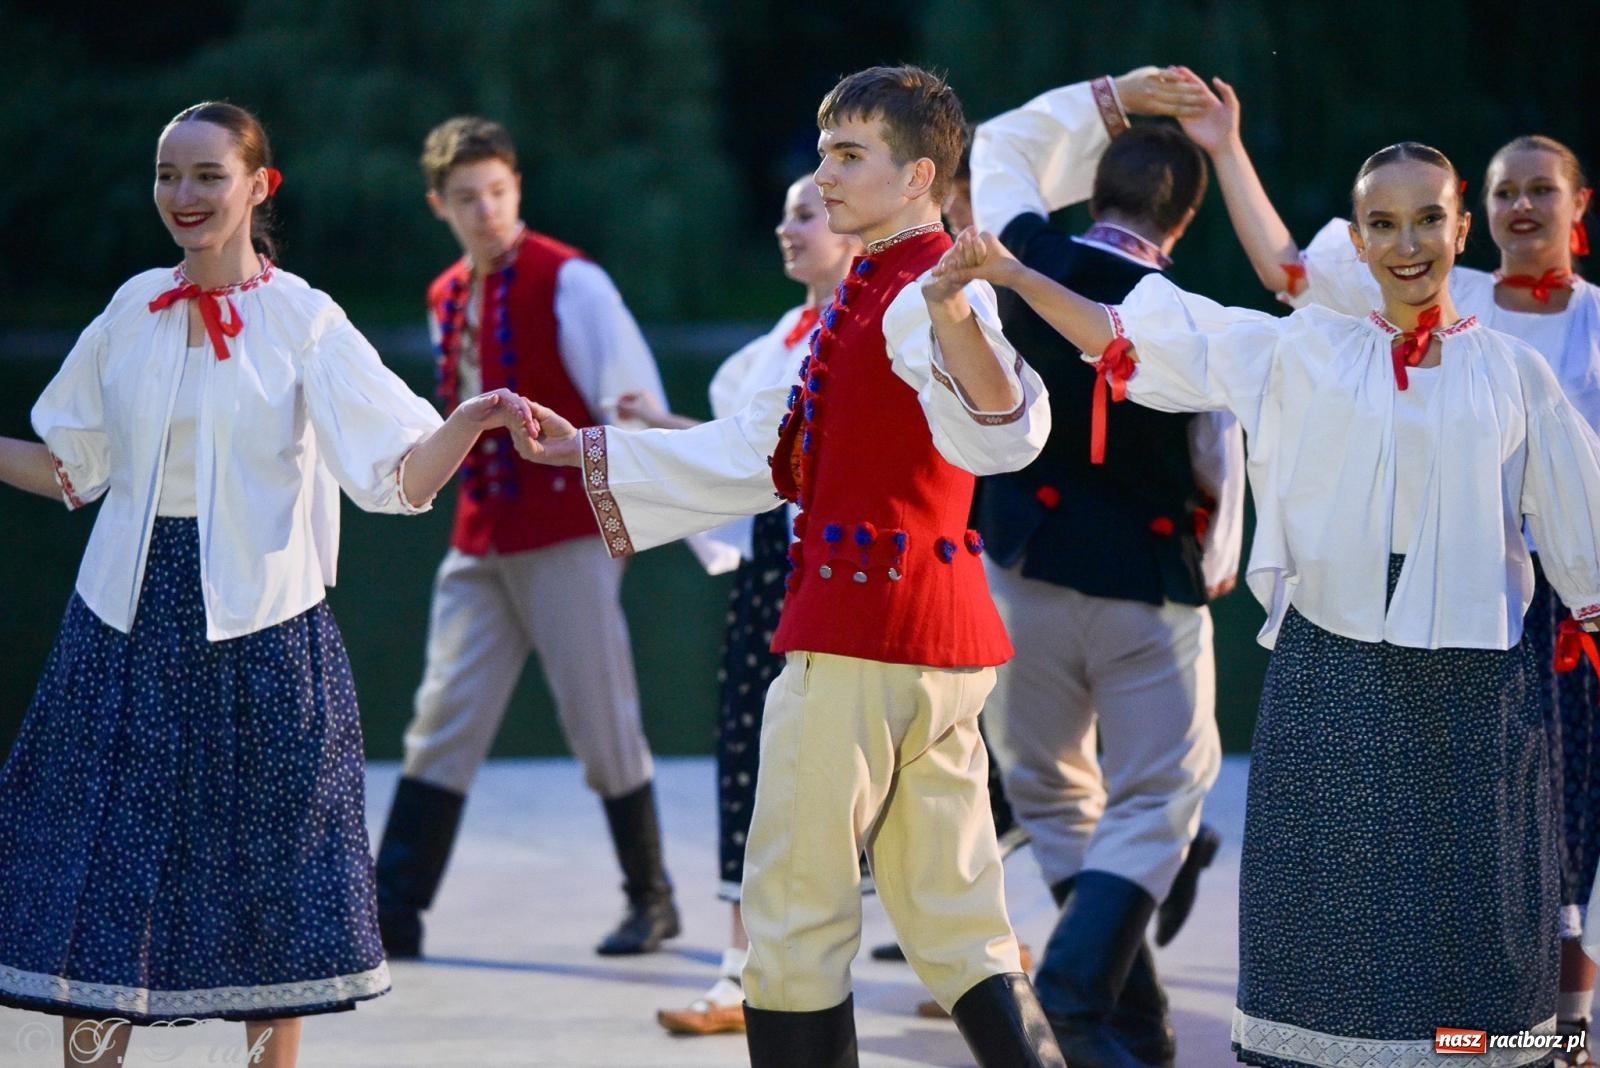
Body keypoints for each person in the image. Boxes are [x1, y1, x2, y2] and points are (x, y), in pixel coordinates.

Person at [931, 139, 1600, 1067]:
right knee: (1334, 933)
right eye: (1382, 223)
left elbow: (1586, 536)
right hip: (1336, 677)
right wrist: (1011, 271)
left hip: (1478, 695)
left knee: (1470, 950)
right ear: (1356, 243)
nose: (1408, 243)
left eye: (1428, 218)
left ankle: (1469, 1053)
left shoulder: (1516, 376)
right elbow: (1125, 335)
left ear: (1458, 227)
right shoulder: (1300, 350)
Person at [515, 64, 1065, 1068]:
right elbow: (767, 450)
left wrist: (952, 320)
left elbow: (1009, 427)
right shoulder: (877, 287)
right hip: (938, 644)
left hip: (856, 644)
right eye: (822, 154)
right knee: (956, 923)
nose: (823, 178)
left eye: (849, 156)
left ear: (919, 177)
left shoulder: (921, 296)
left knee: (792, 921)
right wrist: (589, 448)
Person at [0, 102, 536, 1068]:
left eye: (208, 175)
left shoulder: (303, 320)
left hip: (263, 627)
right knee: (106, 870)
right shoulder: (131, 309)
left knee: (271, 878)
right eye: (168, 174)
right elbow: (75, 469)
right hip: (123, 622)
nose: (184, 195)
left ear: (259, 186)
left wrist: (477, 416)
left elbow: (398, 474)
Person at [1176, 76, 1600, 1059]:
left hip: (1530, 609)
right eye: (1505, 190)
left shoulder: (1578, 333)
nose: (1520, 205)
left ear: (1578, 208)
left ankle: (1544, 1039)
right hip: (1387, 596)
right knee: (1377, 855)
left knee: (1536, 850)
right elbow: (1286, 274)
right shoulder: (1395, 306)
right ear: (1478, 216)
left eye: (1540, 188)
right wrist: (1227, 148)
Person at [967, 67, 1244, 1068]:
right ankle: (1080, 990)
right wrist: (1212, 564)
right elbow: (1219, 461)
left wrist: (1110, 95)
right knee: (1163, 794)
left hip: (1020, 574)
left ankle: (1129, 1021)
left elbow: (992, 149)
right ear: (1186, 216)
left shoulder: (1030, 250)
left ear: (1093, 193)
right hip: (1142, 582)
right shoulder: (1190, 314)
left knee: (1047, 791)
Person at [371, 115, 679, 961]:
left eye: (498, 193)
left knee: (599, 716)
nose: (485, 211)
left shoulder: (570, 280)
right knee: (442, 716)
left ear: (517, 189)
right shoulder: (445, 296)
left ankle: (651, 898)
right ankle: (393, 909)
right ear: (440, 203)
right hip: (481, 536)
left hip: (568, 531)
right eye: (466, 198)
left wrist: (645, 505)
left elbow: (630, 400)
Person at [617, 175, 861, 1035]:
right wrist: (653, 426)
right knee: (751, 763)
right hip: (776, 572)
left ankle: (973, 953)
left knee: (899, 780)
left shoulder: (878, 327)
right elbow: (751, 463)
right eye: (787, 210)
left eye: (806, 212)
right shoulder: (767, 351)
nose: (786, 227)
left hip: (855, 569)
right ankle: (740, 972)